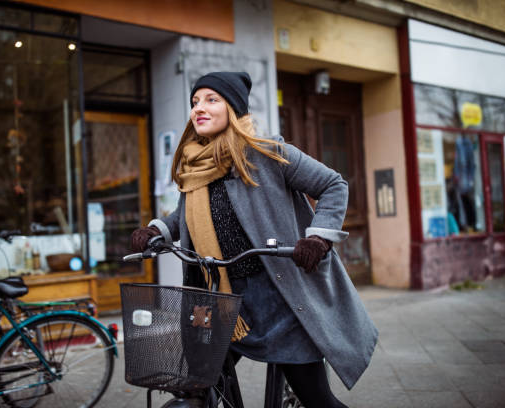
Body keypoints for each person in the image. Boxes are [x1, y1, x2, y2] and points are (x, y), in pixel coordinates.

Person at [131, 71, 377, 408]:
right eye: (194, 102)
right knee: (196, 387)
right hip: (218, 297)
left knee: (316, 398)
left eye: (210, 100)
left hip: (280, 297)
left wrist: (318, 237)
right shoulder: (195, 167)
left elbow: (333, 185)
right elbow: (182, 216)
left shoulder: (268, 153)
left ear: (232, 108)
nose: (198, 108)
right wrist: (157, 230)